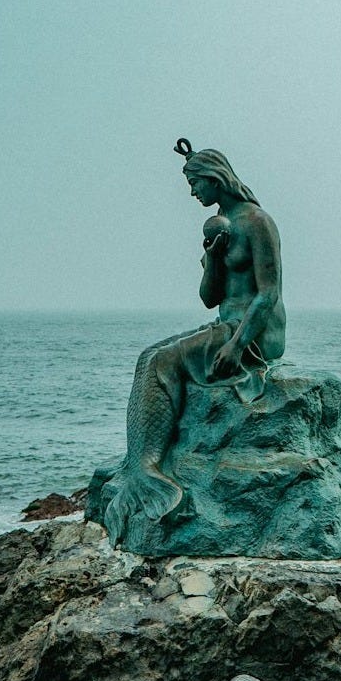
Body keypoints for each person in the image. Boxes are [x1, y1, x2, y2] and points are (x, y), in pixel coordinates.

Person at [101, 139, 286, 546]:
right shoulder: (219, 228)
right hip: (226, 321)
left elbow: (267, 294)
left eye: (194, 183)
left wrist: (237, 345)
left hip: (254, 334)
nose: (192, 193)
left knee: (158, 363)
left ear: (215, 179)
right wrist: (214, 257)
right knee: (147, 357)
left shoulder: (257, 222)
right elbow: (208, 298)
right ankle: (141, 466)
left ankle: (147, 469)